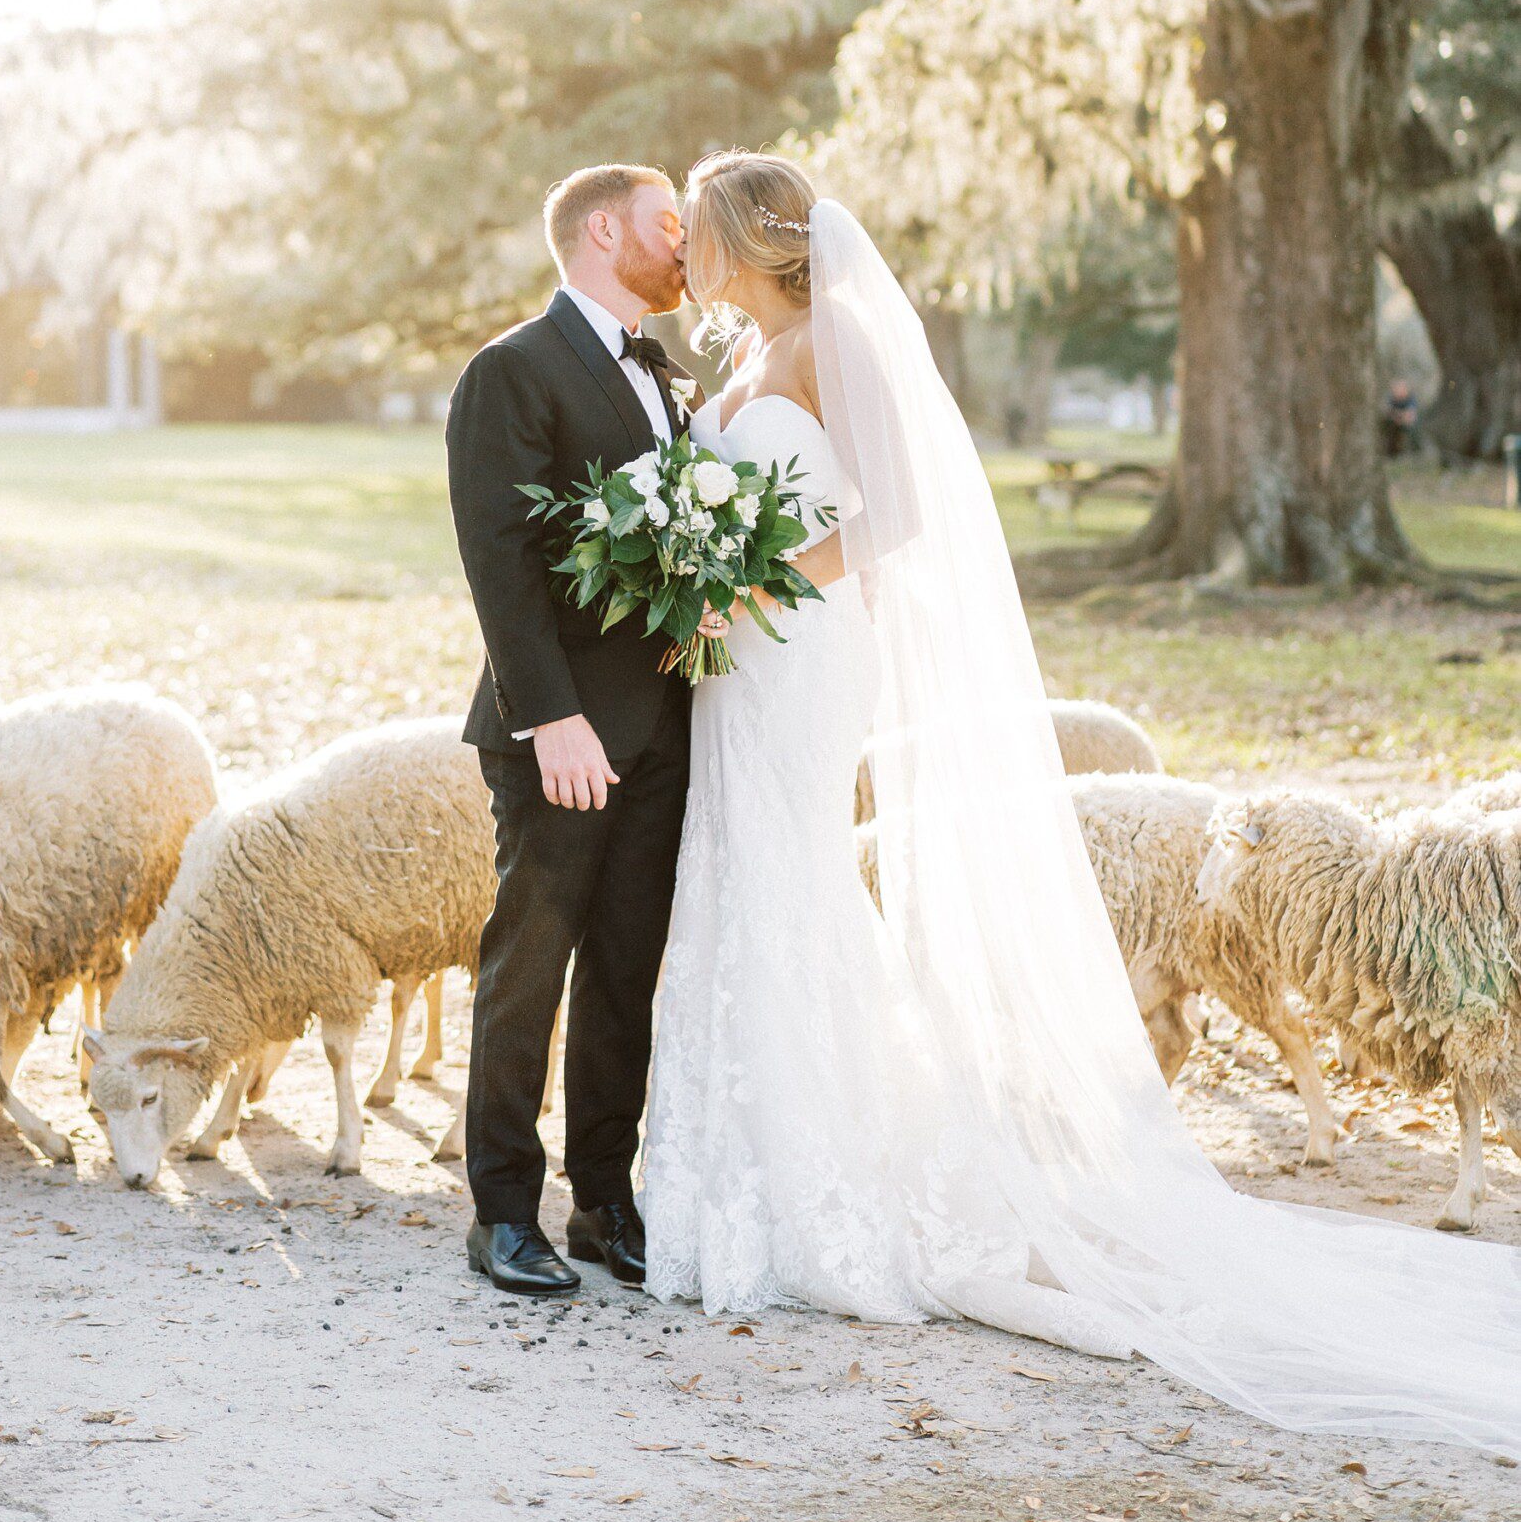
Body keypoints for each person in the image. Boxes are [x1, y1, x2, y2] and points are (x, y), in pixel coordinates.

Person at [642, 147, 1521, 1453]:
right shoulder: (731, 363)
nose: (676, 242)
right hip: (736, 664)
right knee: (733, 877)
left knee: (797, 876)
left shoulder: (834, 342)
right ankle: (734, 1178)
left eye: (690, 222)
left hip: (800, 647)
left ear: (743, 234)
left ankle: (826, 1193)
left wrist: (751, 583)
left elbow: (893, 520)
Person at [446, 163, 701, 1297]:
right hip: (559, 732)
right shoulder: (509, 371)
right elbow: (498, 562)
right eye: (668, 226)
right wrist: (551, 715)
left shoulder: (665, 372)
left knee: (626, 970)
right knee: (528, 967)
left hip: (664, 726)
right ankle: (503, 1210)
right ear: (605, 230)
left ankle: (606, 1199)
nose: (687, 246)